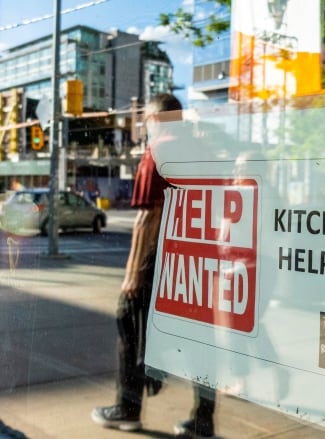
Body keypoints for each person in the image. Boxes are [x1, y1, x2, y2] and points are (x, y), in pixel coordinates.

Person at [91, 93, 217, 439]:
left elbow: (147, 218)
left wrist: (132, 274)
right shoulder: (203, 153)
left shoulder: (158, 150)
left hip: (161, 261)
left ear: (156, 120)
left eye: (146, 120)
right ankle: (203, 419)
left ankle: (127, 408)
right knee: (200, 342)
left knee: (127, 320)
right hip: (199, 261)